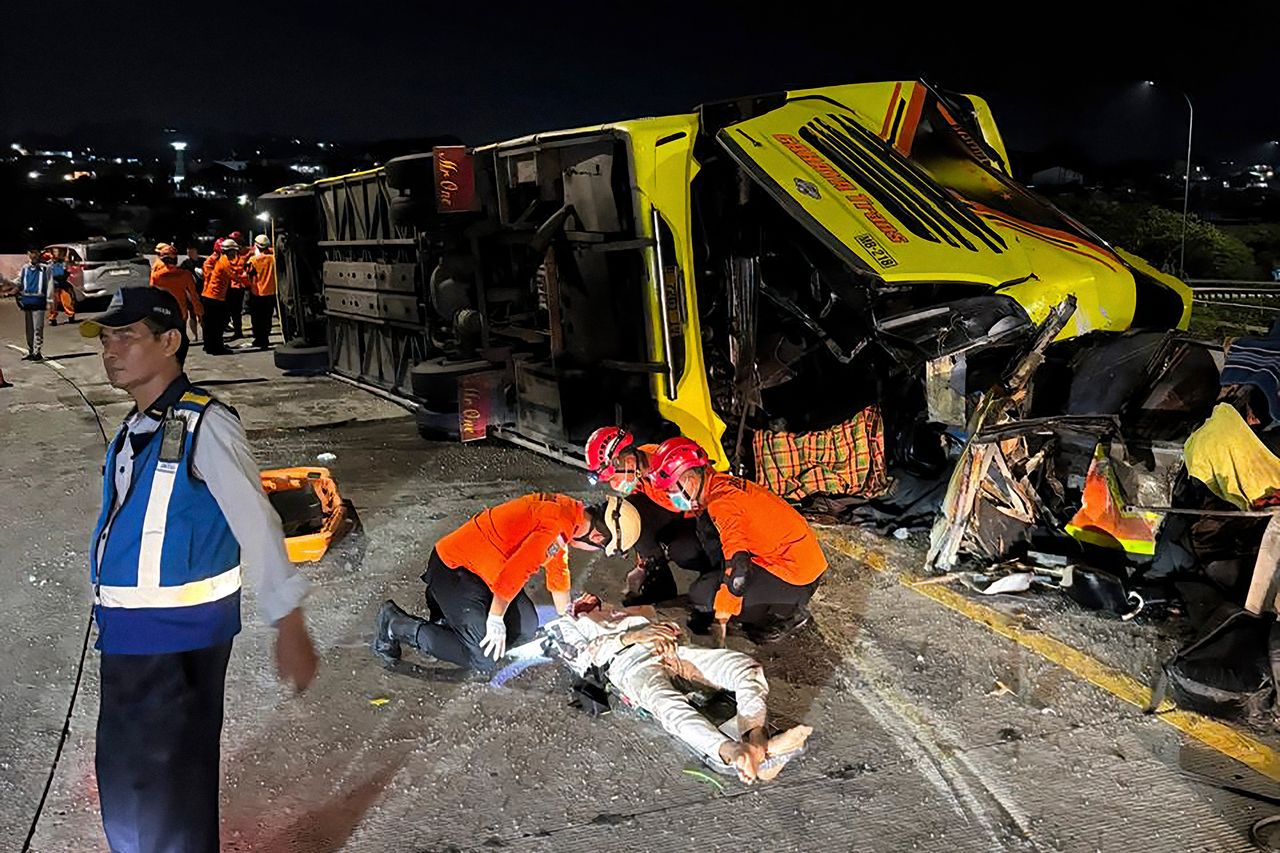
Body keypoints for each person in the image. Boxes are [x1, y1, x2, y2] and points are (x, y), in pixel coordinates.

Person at [79, 286, 318, 852]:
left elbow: (257, 522)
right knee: (127, 782)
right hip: (129, 639)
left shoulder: (206, 424)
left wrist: (288, 622)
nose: (111, 350)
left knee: (169, 795)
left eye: (126, 336)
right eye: (106, 338)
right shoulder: (136, 428)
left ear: (169, 341)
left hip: (180, 644)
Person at [543, 593, 813, 784]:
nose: (588, 597)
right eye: (581, 599)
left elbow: (671, 622)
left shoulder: (621, 608)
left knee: (743, 666)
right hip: (629, 665)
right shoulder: (566, 624)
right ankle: (733, 752)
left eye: (591, 597)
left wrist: (669, 634)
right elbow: (581, 659)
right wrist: (631, 637)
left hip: (670, 651)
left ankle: (755, 737)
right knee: (667, 706)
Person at [373, 494, 641, 672]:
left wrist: (568, 619)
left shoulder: (569, 515)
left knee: (526, 626)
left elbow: (558, 573)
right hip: (454, 569)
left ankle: (451, 623)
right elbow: (516, 572)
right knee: (483, 658)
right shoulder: (557, 526)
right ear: (597, 537)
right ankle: (395, 624)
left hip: (485, 572)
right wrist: (494, 619)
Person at [646, 437, 828, 644]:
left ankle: (785, 614)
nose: (670, 495)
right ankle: (729, 589)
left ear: (689, 478)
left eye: (671, 489)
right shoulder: (716, 485)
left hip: (796, 575)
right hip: (787, 555)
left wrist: (722, 615)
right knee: (687, 548)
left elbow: (739, 568)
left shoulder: (722, 503)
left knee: (702, 596)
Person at [585, 426, 711, 605]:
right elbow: (638, 514)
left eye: (613, 478)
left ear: (629, 461)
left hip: (701, 518)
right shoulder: (641, 470)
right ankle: (658, 584)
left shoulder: (673, 464)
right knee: (629, 513)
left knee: (683, 551)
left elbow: (709, 506)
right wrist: (643, 564)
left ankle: (714, 576)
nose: (614, 485)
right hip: (675, 513)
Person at [150, 243, 204, 332]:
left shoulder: (156, 275)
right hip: (180, 313)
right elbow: (193, 295)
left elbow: (152, 293)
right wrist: (199, 312)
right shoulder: (185, 275)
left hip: (163, 313)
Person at [201, 238, 238, 354]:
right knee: (218, 325)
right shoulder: (224, 262)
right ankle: (217, 348)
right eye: (234, 251)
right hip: (215, 297)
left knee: (210, 325)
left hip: (209, 295)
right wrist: (249, 280)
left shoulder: (220, 260)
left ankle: (209, 346)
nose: (235, 254)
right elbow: (235, 276)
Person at [15, 248, 50, 361]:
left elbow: (50, 285)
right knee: (29, 329)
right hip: (27, 301)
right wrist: (8, 285)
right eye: (31, 253)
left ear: (39, 254)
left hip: (39, 301)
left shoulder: (45, 268)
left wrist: (50, 301)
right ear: (28, 254)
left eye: (35, 252)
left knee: (37, 328)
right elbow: (18, 281)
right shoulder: (25, 268)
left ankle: (37, 351)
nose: (33, 255)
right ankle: (31, 350)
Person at [246, 234, 276, 350]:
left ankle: (259, 339)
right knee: (267, 318)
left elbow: (248, 276)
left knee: (257, 319)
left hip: (257, 293)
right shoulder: (273, 259)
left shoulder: (253, 260)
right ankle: (265, 339)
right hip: (271, 292)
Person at [225, 231, 247, 340]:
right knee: (234, 311)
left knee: (235, 311)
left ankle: (238, 332)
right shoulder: (235, 254)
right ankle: (237, 331)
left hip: (237, 286)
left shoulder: (243, 253)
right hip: (233, 286)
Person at [180, 245, 205, 340]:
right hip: (190, 293)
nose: (188, 252)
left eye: (190, 250)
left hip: (203, 291)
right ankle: (195, 336)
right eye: (187, 251)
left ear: (195, 250)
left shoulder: (203, 261)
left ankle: (205, 334)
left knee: (202, 315)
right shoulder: (185, 264)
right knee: (192, 315)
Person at [46, 246, 76, 325]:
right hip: (54, 286)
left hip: (63, 285)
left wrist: (68, 253)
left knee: (67, 301)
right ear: (52, 253)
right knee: (53, 304)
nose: (58, 253)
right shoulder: (49, 264)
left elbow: (66, 268)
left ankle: (71, 315)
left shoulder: (63, 262)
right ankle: (52, 318)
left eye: (59, 252)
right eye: (56, 252)